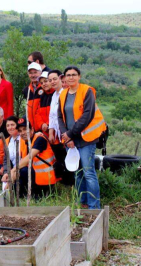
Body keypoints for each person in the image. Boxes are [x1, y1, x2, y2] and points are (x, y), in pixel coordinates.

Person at [58, 66, 106, 209]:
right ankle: (82, 203)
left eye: (74, 74)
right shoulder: (63, 94)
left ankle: (94, 206)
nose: (71, 77)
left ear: (79, 76)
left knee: (88, 172)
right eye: (68, 75)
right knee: (78, 173)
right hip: (71, 141)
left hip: (87, 139)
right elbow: (60, 117)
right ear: (65, 78)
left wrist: (70, 134)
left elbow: (87, 115)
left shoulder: (87, 91)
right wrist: (67, 137)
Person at [2, 117, 59, 198]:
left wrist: (12, 171)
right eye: (20, 131)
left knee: (22, 171)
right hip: (36, 178)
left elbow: (27, 159)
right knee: (16, 185)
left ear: (32, 129)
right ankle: (10, 193)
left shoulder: (40, 139)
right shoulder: (26, 142)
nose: (23, 133)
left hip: (46, 180)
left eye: (25, 129)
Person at [48, 70, 74, 185]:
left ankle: (74, 185)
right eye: (50, 80)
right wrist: (51, 132)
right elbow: (52, 116)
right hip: (59, 134)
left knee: (71, 159)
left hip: (68, 133)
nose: (52, 82)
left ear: (60, 79)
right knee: (64, 159)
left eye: (54, 79)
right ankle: (67, 185)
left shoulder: (66, 94)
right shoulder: (54, 95)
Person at [1, 116, 27, 190]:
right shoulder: (7, 141)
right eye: (8, 125)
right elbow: (6, 160)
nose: (10, 128)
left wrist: (13, 173)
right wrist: (6, 172)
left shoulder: (23, 138)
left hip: (23, 169)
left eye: (12, 125)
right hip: (12, 170)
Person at [22, 62, 42, 132]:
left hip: (43, 127)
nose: (33, 75)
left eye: (35, 72)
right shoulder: (26, 90)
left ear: (40, 73)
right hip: (31, 129)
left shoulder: (44, 88)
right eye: (30, 73)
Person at [35, 71, 55, 137]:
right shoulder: (42, 96)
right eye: (41, 83)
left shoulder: (57, 94)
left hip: (56, 131)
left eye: (46, 81)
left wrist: (48, 124)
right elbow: (37, 113)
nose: (43, 84)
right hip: (45, 133)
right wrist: (41, 124)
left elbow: (57, 113)